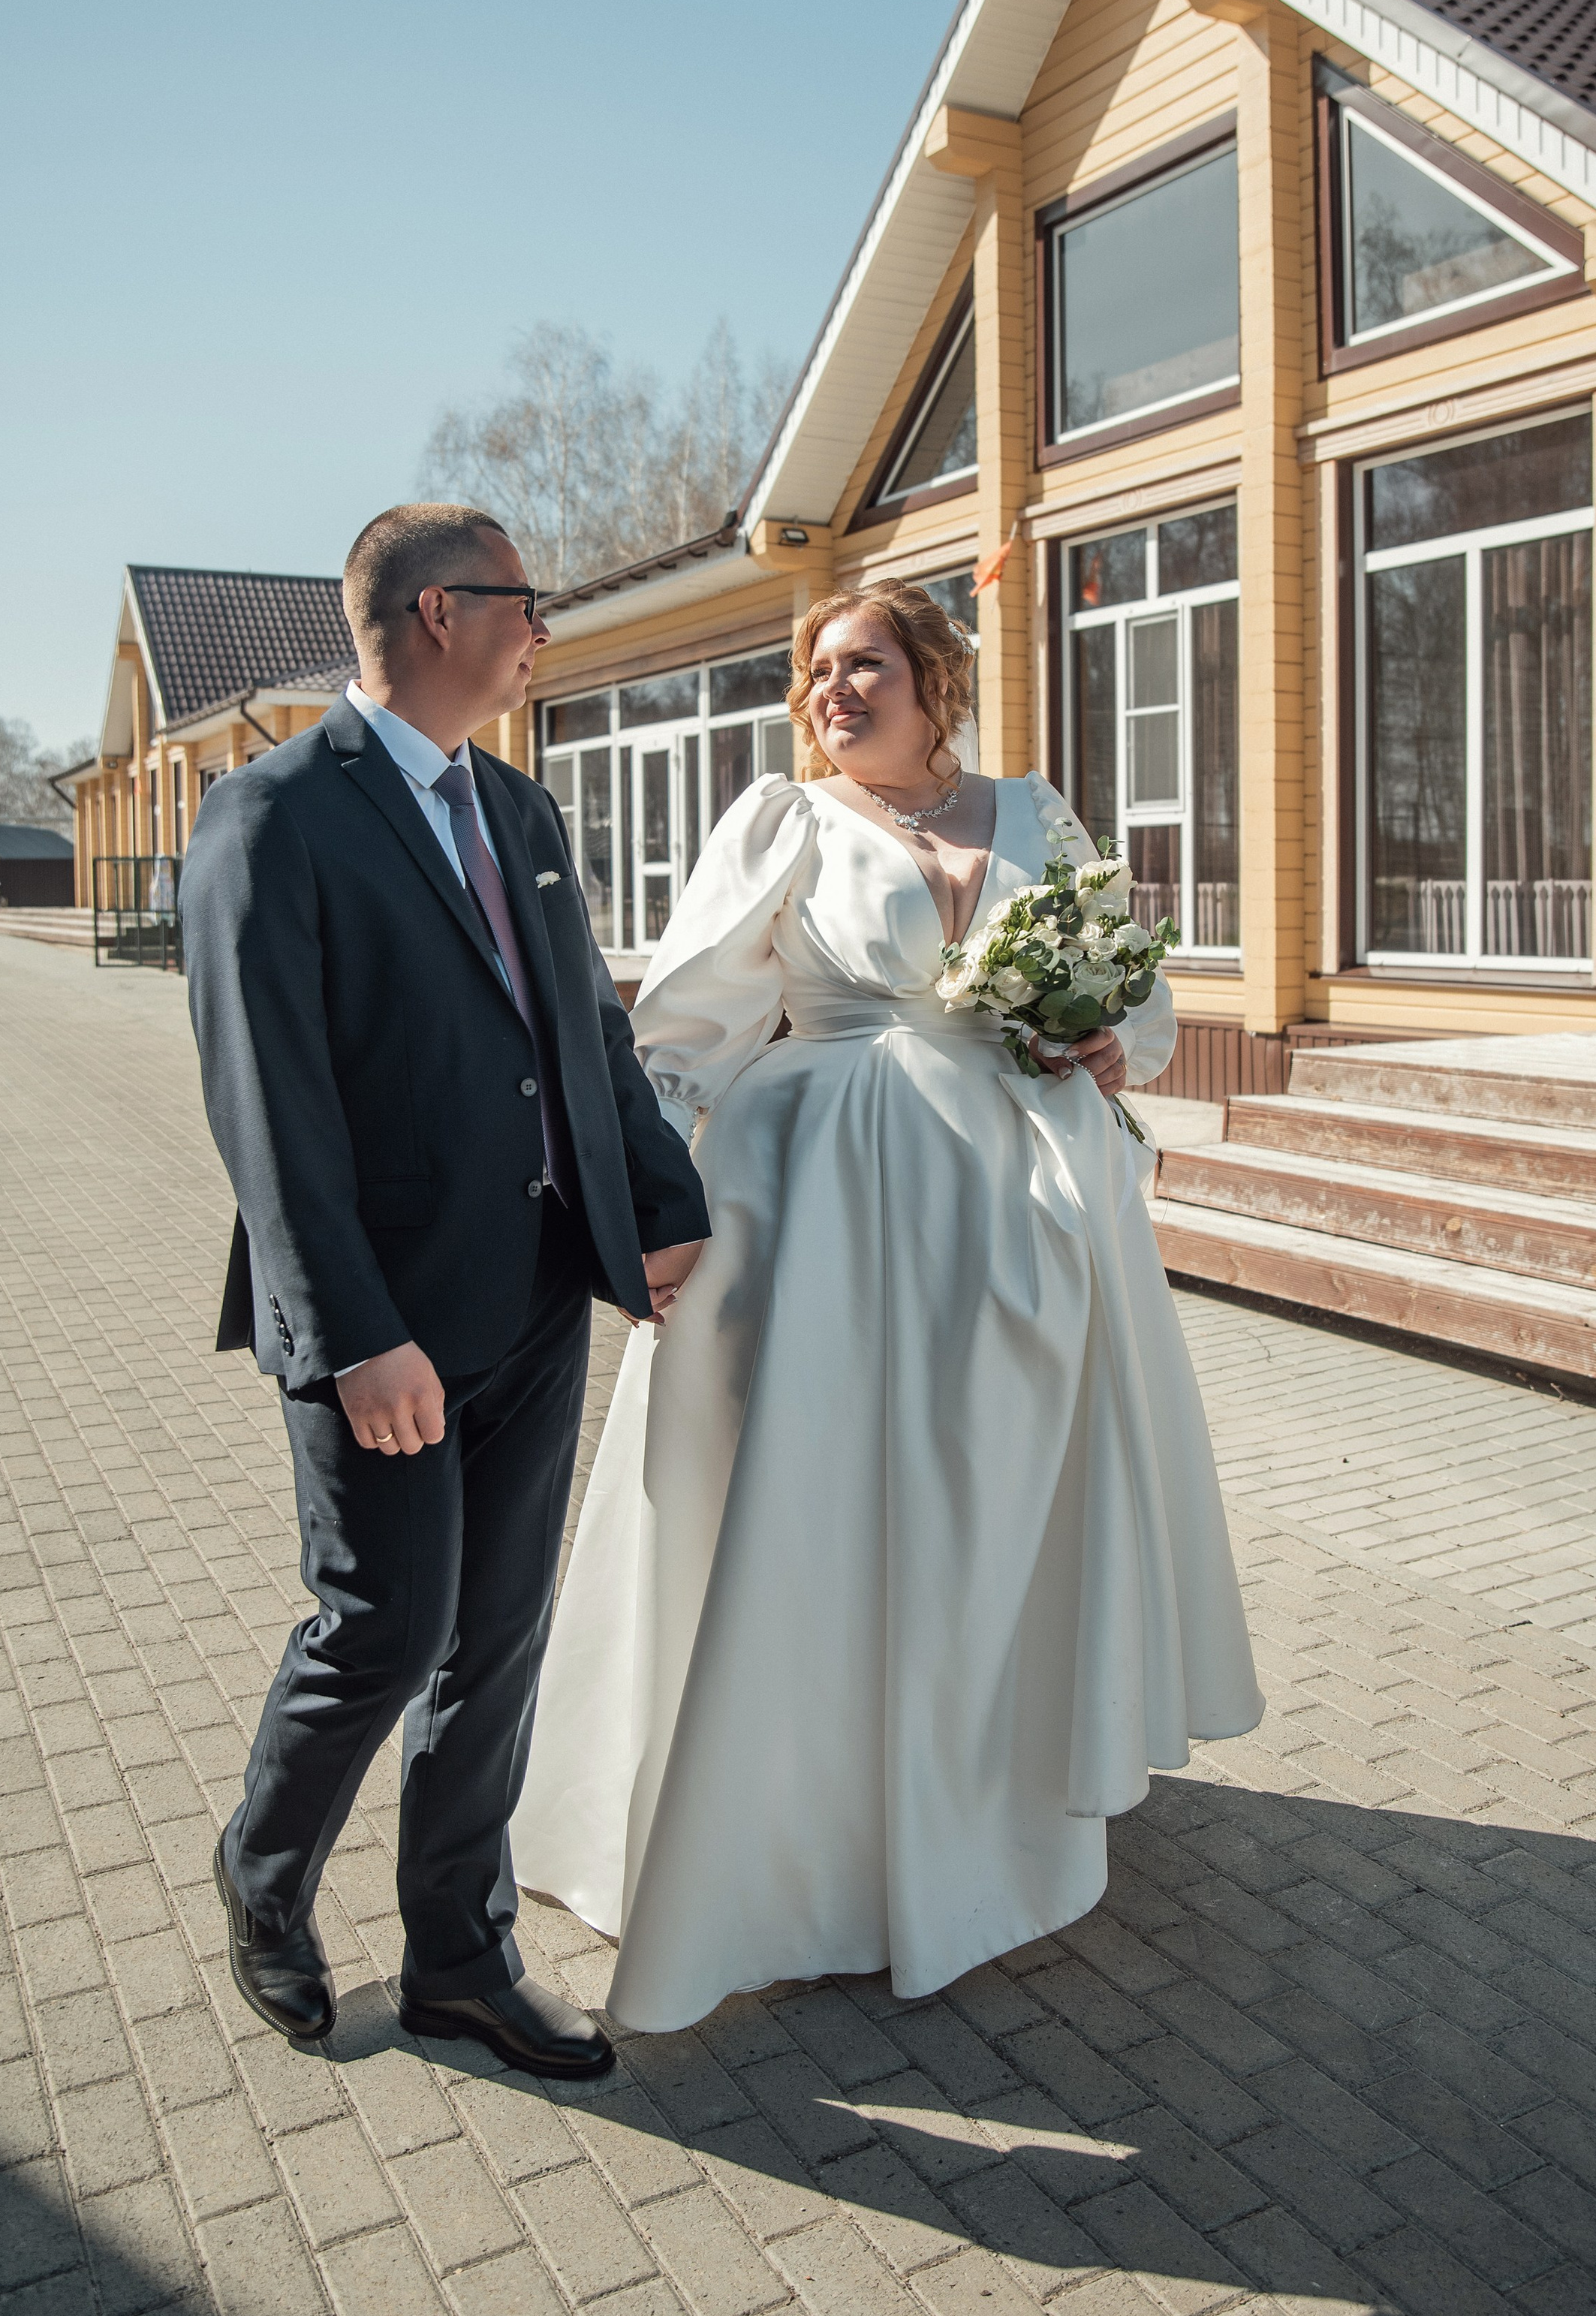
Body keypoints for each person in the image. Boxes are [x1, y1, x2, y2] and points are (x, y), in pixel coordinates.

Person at [512, 580, 1262, 2031]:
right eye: (814, 672)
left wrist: (1117, 1038)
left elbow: (1136, 998)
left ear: (935, 675)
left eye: (861, 665)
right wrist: (642, 1213)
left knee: (993, 1514)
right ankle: (797, 1846)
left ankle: (979, 1821)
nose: (830, 692)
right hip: (825, 1218)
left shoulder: (1038, 815)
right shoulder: (781, 826)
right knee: (821, 1517)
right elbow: (680, 1030)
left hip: (1030, 1222)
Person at [179, 503, 708, 2080]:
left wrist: (663, 1210)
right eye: (522, 603)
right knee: (381, 1630)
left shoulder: (524, 814)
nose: (540, 629)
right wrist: (353, 1336)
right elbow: (265, 1108)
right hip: (382, 1326)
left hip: (535, 1296)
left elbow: (584, 1039)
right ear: (433, 613)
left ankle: (459, 1963)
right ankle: (263, 1881)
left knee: (496, 1641)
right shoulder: (271, 819)